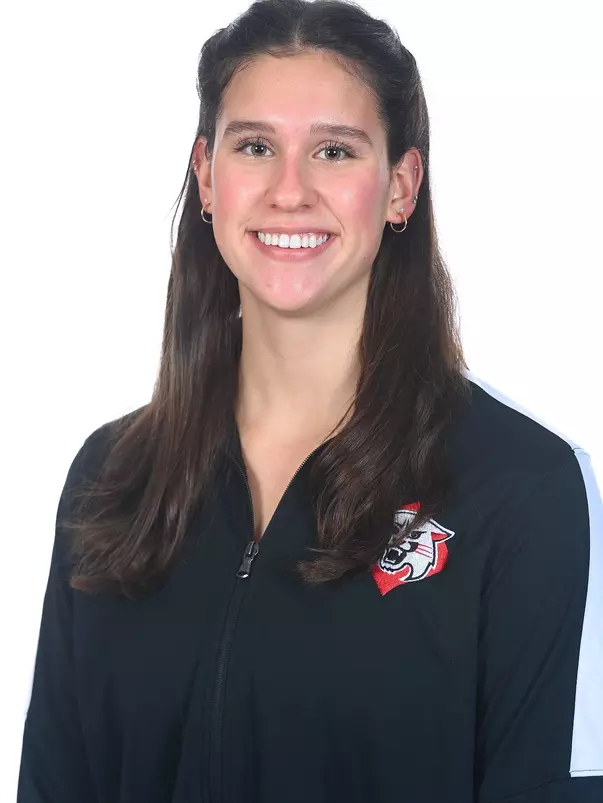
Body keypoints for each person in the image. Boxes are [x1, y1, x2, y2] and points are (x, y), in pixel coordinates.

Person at [17, 0, 603, 801]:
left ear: (400, 186)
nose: (288, 191)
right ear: (206, 178)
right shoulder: (113, 480)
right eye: (255, 146)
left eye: (334, 150)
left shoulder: (522, 488)